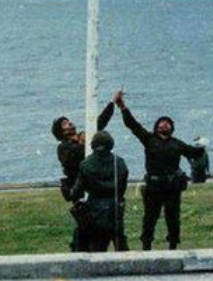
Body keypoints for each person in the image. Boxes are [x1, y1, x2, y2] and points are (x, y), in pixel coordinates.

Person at [120, 93, 204, 251]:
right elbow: (133, 125)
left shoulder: (177, 143)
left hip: (172, 187)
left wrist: (202, 145)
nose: (164, 124)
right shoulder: (149, 139)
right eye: (161, 122)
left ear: (171, 128)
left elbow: (194, 153)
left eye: (167, 123)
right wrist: (123, 107)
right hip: (154, 186)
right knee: (150, 218)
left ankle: (173, 246)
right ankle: (146, 245)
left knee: (173, 218)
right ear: (156, 126)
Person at [51, 91, 122, 252]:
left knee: (103, 224)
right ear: (61, 132)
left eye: (69, 122)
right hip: (79, 189)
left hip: (93, 185)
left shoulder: (85, 136)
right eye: (65, 124)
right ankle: (79, 252)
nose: (69, 124)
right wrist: (84, 143)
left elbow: (100, 123)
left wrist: (112, 103)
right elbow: (72, 160)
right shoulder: (63, 147)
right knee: (86, 225)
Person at [69, 131, 129, 252]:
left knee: (97, 245)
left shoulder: (86, 164)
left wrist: (70, 192)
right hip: (115, 206)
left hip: (94, 207)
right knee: (120, 243)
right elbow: (122, 186)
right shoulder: (119, 162)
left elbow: (77, 191)